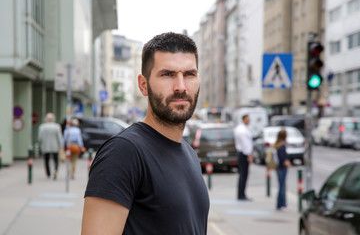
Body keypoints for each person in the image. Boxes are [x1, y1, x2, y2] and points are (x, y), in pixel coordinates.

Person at [81, 32, 209, 235]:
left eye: (189, 74)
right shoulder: (123, 153)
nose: (181, 87)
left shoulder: (189, 153)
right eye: (167, 74)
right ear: (143, 85)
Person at [234, 114, 254, 200]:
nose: (249, 121)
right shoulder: (242, 130)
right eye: (247, 119)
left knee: (243, 174)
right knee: (243, 175)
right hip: (244, 154)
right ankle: (241, 194)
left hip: (242, 153)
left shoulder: (241, 128)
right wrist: (249, 155)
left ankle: (241, 193)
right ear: (243, 119)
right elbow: (245, 144)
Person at [38, 113, 63, 180]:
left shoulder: (42, 127)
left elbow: (40, 138)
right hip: (55, 146)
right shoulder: (57, 126)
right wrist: (61, 146)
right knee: (56, 160)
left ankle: (48, 174)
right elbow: (59, 137)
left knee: (46, 160)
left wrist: (39, 146)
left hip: (45, 146)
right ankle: (55, 169)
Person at [272, 129, 291, 210]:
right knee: (282, 186)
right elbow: (282, 158)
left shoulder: (277, 144)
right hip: (282, 168)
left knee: (281, 185)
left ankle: (280, 204)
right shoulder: (282, 145)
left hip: (277, 167)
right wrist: (287, 163)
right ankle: (281, 204)